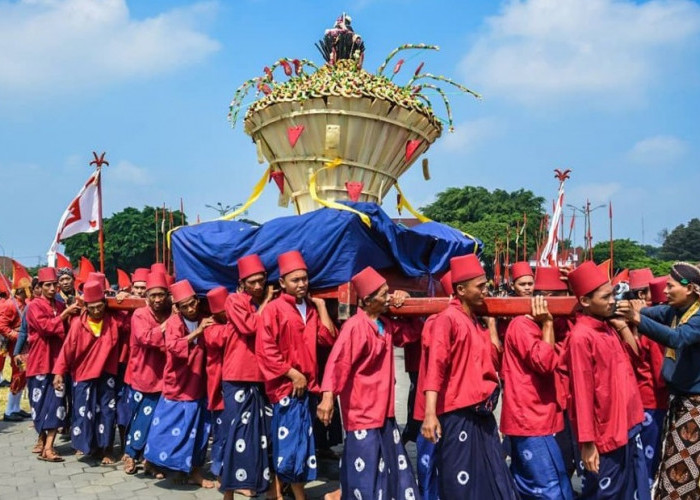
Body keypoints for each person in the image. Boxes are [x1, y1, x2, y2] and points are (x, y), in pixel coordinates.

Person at [317, 266, 420, 500]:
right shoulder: (355, 326)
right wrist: (327, 397)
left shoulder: (385, 324)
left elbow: (413, 333)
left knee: (392, 468)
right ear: (367, 299)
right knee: (365, 469)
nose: (388, 298)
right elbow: (338, 362)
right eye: (384, 294)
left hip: (384, 411)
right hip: (362, 411)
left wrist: (408, 301)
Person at [421, 254, 518, 499]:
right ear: (461, 290)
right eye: (481, 287)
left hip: (482, 416)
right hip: (457, 415)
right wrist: (430, 414)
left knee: (494, 480)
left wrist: (491, 324)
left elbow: (493, 361)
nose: (486, 291)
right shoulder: (447, 319)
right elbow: (435, 368)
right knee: (459, 485)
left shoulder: (475, 321)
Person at [563, 261, 649, 499]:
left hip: (629, 423)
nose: (612, 301)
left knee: (632, 489)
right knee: (605, 493)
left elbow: (636, 355)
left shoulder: (607, 327)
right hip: (606, 432)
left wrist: (622, 326)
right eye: (605, 297)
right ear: (585, 301)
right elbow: (582, 393)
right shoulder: (581, 337)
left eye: (612, 294)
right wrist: (588, 443)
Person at [256, 250, 336, 500]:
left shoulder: (311, 309)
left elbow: (328, 338)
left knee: (299, 442)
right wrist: (292, 374)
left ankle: (278, 492)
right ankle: (290, 494)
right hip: (285, 387)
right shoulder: (274, 310)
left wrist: (321, 306)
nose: (301, 284)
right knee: (290, 443)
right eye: (295, 280)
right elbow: (265, 349)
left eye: (304, 279)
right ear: (282, 283)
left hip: (308, 386)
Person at [617, 262, 700, 498]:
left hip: (694, 407)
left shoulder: (698, 316)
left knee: (682, 468)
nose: (665, 292)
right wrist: (628, 308)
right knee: (671, 462)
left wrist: (635, 317)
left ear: (690, 289)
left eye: (670, 287)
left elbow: (676, 338)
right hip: (680, 401)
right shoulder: (677, 311)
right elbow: (653, 312)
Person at [501, 267, 574, 499]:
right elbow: (545, 363)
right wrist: (549, 325)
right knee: (549, 485)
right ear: (549, 301)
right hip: (530, 417)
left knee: (531, 483)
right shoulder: (522, 325)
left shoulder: (541, 325)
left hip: (543, 415)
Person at [144, 279, 215, 488]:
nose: (191, 309)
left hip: (198, 382)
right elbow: (174, 347)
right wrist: (198, 332)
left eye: (193, 303)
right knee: (166, 427)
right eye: (185, 306)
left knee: (198, 428)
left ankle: (194, 470)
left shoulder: (203, 317)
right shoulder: (175, 322)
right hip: (177, 383)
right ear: (177, 307)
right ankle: (152, 460)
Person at [220, 254, 274, 499]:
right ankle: (230, 487)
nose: (258, 286)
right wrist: (266, 303)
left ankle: (256, 482)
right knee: (237, 432)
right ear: (242, 283)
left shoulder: (259, 302)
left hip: (259, 376)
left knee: (259, 434)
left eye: (261, 281)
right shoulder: (234, 300)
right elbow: (250, 327)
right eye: (252, 282)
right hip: (237, 375)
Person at [52, 280, 122, 464]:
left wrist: (123, 299)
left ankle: (106, 449)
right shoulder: (77, 324)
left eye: (100, 307)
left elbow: (130, 322)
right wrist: (59, 372)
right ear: (87, 307)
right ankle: (89, 447)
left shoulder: (112, 321)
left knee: (107, 412)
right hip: (83, 373)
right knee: (84, 412)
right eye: (92, 308)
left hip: (106, 373)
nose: (97, 311)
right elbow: (67, 349)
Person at [25, 267, 81, 462]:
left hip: (58, 363)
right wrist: (65, 313)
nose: (51, 288)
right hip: (39, 363)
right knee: (39, 406)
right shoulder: (33, 306)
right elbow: (46, 328)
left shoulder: (59, 304)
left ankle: (48, 447)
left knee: (56, 404)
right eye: (47, 285)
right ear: (39, 287)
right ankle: (43, 441)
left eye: (53, 285)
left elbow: (68, 331)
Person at [123, 271, 171, 477]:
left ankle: (150, 460)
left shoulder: (170, 312)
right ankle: (130, 454)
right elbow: (146, 339)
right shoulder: (140, 314)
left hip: (166, 374)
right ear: (147, 296)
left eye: (161, 295)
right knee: (142, 417)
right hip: (143, 373)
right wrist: (167, 325)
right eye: (154, 295)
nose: (158, 299)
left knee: (159, 420)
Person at [627, 268, 668, 488]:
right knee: (649, 456)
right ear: (642, 296)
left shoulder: (636, 324)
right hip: (653, 400)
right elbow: (661, 375)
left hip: (642, 398)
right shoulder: (655, 332)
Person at [201, 286, 228, 485]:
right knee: (221, 431)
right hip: (219, 386)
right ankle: (220, 473)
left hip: (236, 385)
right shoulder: (211, 328)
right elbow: (229, 334)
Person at [0, 288, 30, 421]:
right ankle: (9, 410)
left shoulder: (26, 303)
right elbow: (2, 325)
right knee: (18, 373)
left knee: (24, 374)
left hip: (26, 345)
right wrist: (17, 336)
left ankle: (16, 408)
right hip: (16, 345)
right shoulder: (10, 304)